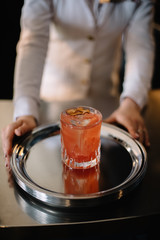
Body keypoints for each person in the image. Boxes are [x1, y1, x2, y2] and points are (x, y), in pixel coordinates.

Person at [2, 0, 155, 168]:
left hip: (107, 108)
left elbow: (141, 46)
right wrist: (26, 112)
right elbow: (33, 43)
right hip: (50, 107)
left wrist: (132, 102)